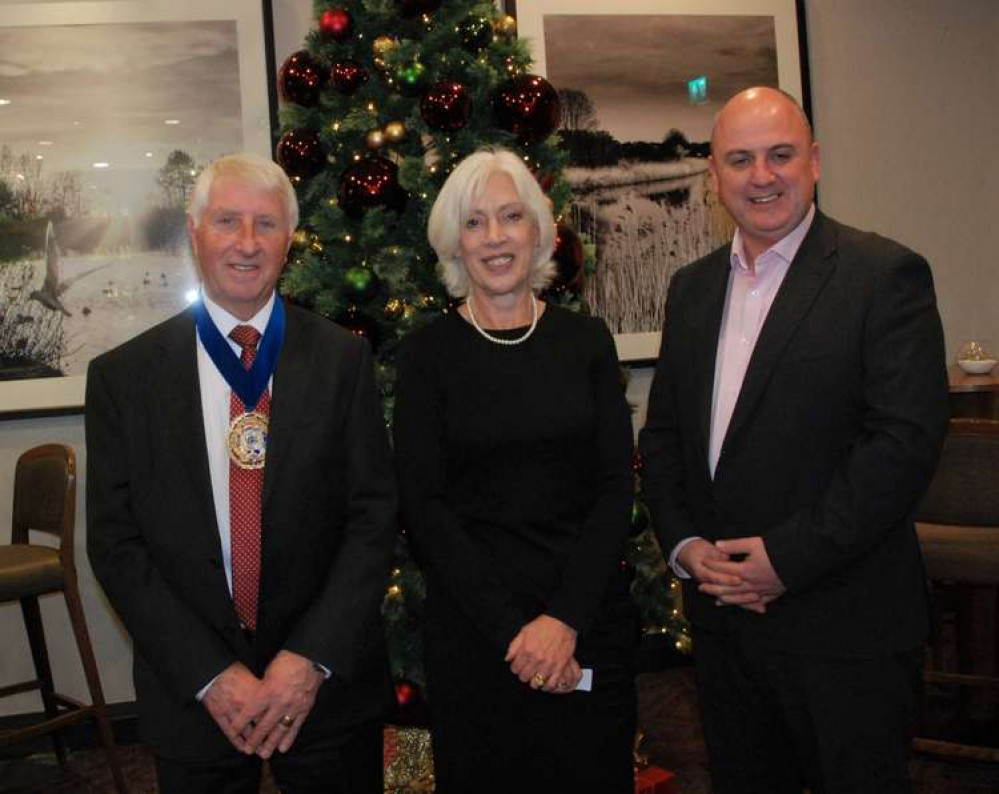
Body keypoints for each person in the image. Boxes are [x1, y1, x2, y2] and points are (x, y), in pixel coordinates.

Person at [639, 87, 949, 794]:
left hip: (844, 625)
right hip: (724, 626)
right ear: (711, 178)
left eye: (779, 155)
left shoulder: (883, 276)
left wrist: (785, 559)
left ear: (814, 162)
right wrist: (685, 548)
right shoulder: (690, 289)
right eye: (739, 160)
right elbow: (662, 439)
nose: (761, 176)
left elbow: (899, 447)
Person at [86, 152, 396, 794]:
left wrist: (308, 661)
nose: (248, 244)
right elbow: (116, 544)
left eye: (267, 224)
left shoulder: (344, 360)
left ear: (290, 237)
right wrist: (211, 675)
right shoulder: (124, 378)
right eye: (228, 221)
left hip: (325, 687)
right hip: (194, 693)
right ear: (194, 233)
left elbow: (372, 519)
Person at [393, 147, 637, 792]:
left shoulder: (587, 341)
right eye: (474, 223)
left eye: (510, 217)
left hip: (587, 625)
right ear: (454, 243)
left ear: (538, 230)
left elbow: (616, 487)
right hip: (478, 641)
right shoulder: (425, 357)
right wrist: (515, 632)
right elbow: (425, 508)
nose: (495, 238)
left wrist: (564, 621)